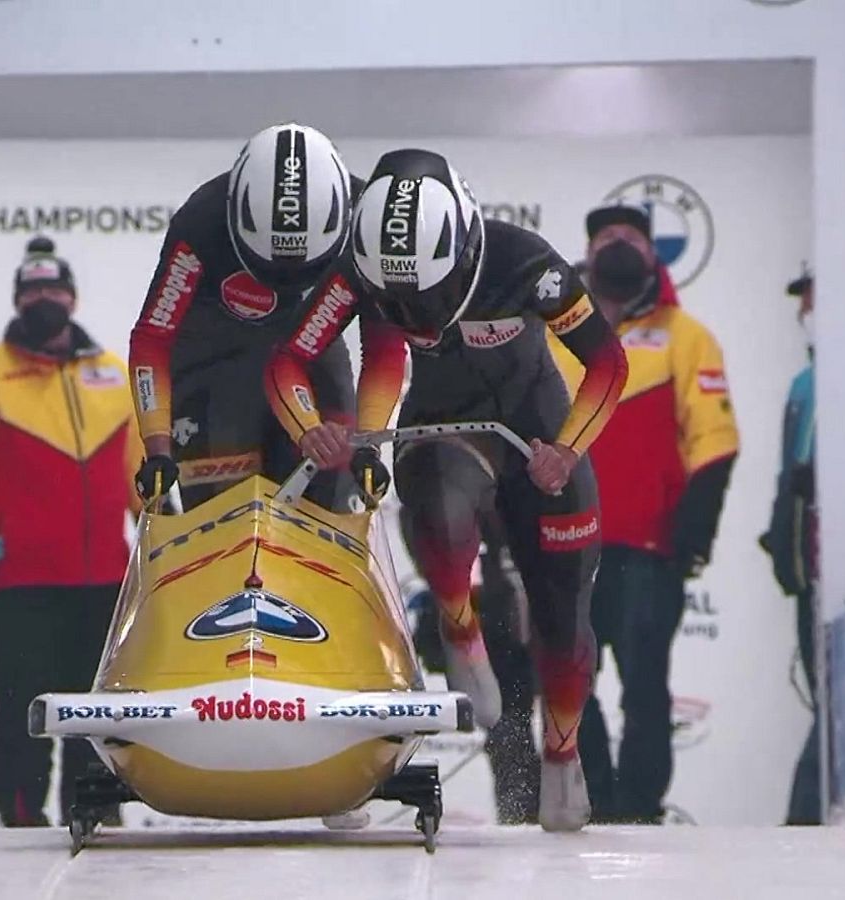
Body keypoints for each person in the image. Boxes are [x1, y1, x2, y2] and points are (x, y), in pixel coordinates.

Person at [265, 148, 630, 832]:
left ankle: (562, 750)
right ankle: (459, 625)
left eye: (428, 294)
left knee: (562, 614)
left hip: (537, 433)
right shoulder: (358, 268)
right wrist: (311, 427)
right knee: (436, 508)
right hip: (445, 429)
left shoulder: (525, 262)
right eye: (399, 300)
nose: (417, 314)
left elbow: (607, 362)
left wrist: (569, 448)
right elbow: (289, 357)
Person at [0, 236, 144, 827]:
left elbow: (141, 483)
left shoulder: (115, 376)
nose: (44, 299)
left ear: (72, 298)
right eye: (34, 291)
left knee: (96, 715)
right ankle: (19, 822)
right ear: (19, 301)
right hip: (21, 580)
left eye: (54, 289)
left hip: (105, 582)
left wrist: (167, 562)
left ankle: (94, 816)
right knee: (25, 710)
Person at [549, 202, 740, 825]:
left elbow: (714, 440)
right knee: (568, 682)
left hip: (647, 548)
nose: (619, 244)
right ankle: (596, 798)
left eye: (632, 235)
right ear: (588, 252)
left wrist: (694, 532)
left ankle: (640, 806)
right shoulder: (552, 336)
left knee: (645, 685)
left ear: (654, 253)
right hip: (564, 544)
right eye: (606, 235)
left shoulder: (688, 337)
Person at [129, 122, 361, 512]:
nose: (284, 285)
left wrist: (367, 436)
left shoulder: (368, 216)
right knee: (223, 510)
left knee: (332, 495)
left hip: (308, 356)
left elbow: (384, 336)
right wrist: (157, 448)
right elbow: (154, 336)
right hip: (211, 365)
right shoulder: (201, 223)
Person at [402, 506, 542, 824]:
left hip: (511, 616)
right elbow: (417, 525)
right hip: (477, 616)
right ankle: (520, 812)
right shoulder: (438, 489)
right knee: (507, 721)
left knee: (515, 720)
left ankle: (523, 812)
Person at [761, 265, 820, 825]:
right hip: (810, 571)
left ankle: (804, 822)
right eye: (804, 299)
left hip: (841, 569)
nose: (808, 309)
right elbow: (789, 476)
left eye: (813, 295)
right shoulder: (805, 384)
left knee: (833, 708)